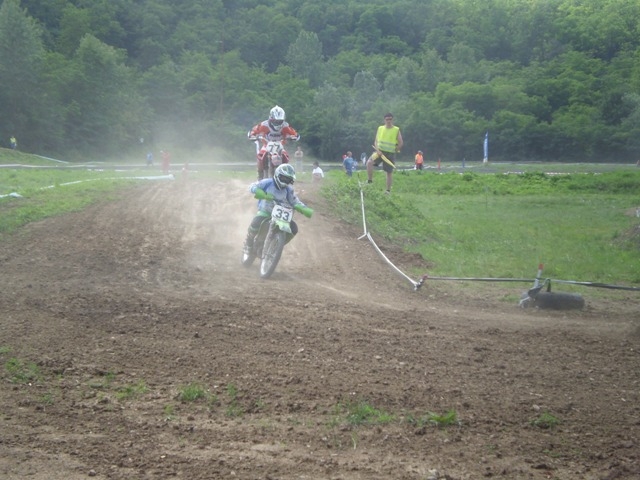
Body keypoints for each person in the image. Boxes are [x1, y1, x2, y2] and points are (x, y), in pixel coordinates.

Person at [243, 164, 313, 254]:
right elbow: (252, 186)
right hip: (265, 211)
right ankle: (249, 243)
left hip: (281, 214)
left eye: (288, 179)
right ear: (277, 175)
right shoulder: (267, 182)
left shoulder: (288, 190)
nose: (285, 181)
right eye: (284, 178)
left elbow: (295, 201)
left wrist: (303, 209)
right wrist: (259, 192)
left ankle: (276, 246)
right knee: (256, 221)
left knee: (294, 228)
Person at [248, 105, 300, 180]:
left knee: (285, 158)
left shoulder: (285, 126)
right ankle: (260, 177)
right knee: (260, 157)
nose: (278, 123)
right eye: (276, 121)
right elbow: (253, 131)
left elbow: (295, 133)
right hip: (266, 145)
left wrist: (294, 137)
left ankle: (285, 176)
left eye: (280, 121)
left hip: (280, 145)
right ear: (271, 118)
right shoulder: (264, 125)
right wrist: (253, 136)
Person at [366, 113, 403, 194]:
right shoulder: (380, 128)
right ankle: (369, 181)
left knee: (389, 172)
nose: (388, 121)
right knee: (369, 162)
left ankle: (388, 190)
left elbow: (400, 142)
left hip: (390, 154)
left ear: (392, 120)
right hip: (379, 152)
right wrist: (378, 150)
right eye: (387, 119)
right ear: (384, 120)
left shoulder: (396, 129)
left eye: (390, 119)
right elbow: (376, 141)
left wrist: (396, 149)